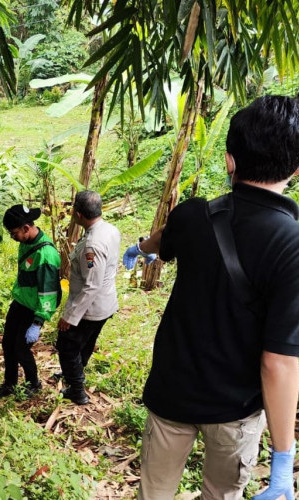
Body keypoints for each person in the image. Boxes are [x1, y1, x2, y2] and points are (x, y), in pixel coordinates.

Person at [123, 95, 299, 499]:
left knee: (155, 493)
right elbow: (280, 362)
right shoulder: (291, 243)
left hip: (172, 394)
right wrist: (282, 464)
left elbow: (161, 240)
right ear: (295, 167)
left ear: (229, 160)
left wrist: (140, 248)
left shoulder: (193, 214)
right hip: (235, 410)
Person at [57, 190, 120, 405]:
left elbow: (91, 285)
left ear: (78, 214)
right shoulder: (110, 229)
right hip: (105, 303)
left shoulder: (91, 246)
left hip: (90, 309)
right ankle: (75, 375)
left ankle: (77, 390)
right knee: (84, 344)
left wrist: (70, 316)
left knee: (66, 347)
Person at [0, 204, 61, 399]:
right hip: (20, 302)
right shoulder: (26, 242)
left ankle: (33, 383)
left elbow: (48, 291)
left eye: (14, 233)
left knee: (21, 348)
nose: (13, 237)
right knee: (8, 344)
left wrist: (38, 322)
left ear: (26, 228)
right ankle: (10, 383)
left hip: (33, 308)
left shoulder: (46, 255)